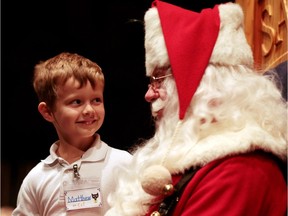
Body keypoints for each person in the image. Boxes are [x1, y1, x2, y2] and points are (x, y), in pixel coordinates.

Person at [105, 1, 287, 215]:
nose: (148, 95)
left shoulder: (238, 172)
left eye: (158, 80)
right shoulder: (199, 162)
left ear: (205, 86)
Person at [12, 52, 132, 216]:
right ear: (47, 111)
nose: (89, 110)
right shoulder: (36, 179)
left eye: (96, 100)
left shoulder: (125, 164)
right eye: (77, 102)